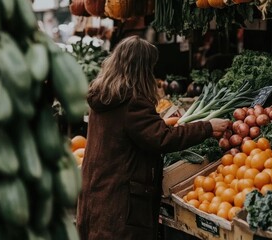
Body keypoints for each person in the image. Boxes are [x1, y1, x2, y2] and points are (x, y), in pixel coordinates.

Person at [76, 35, 230, 240]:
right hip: (120, 202)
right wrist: (207, 127)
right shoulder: (132, 101)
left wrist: (160, 123)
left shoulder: (104, 95)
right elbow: (161, 139)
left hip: (98, 195)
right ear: (141, 69)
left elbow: (130, 132)